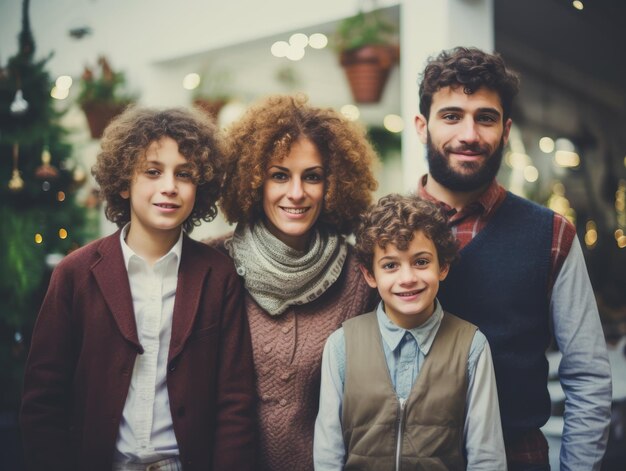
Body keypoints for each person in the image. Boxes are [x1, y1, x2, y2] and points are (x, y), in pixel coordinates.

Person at [20, 107, 257, 471]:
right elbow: (44, 401)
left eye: (185, 174)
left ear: (201, 187)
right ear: (123, 181)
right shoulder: (75, 273)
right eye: (152, 171)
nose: (169, 187)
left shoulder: (218, 275)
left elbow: (234, 402)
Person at [414, 46, 612, 470]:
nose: (469, 134)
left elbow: (589, 379)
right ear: (421, 126)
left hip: (517, 456)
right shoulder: (378, 234)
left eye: (484, 118)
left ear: (505, 131)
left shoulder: (552, 235)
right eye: (451, 116)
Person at [210, 94, 378, 471]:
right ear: (252, 180)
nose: (297, 193)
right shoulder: (212, 264)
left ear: (336, 183)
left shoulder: (360, 277)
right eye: (279, 175)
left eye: (313, 176)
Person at [314, 193, 506, 470]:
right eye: (390, 265)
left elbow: (486, 457)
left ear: (443, 267)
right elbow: (328, 455)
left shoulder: (472, 346)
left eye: (421, 262)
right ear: (370, 275)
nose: (407, 279)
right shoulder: (342, 345)